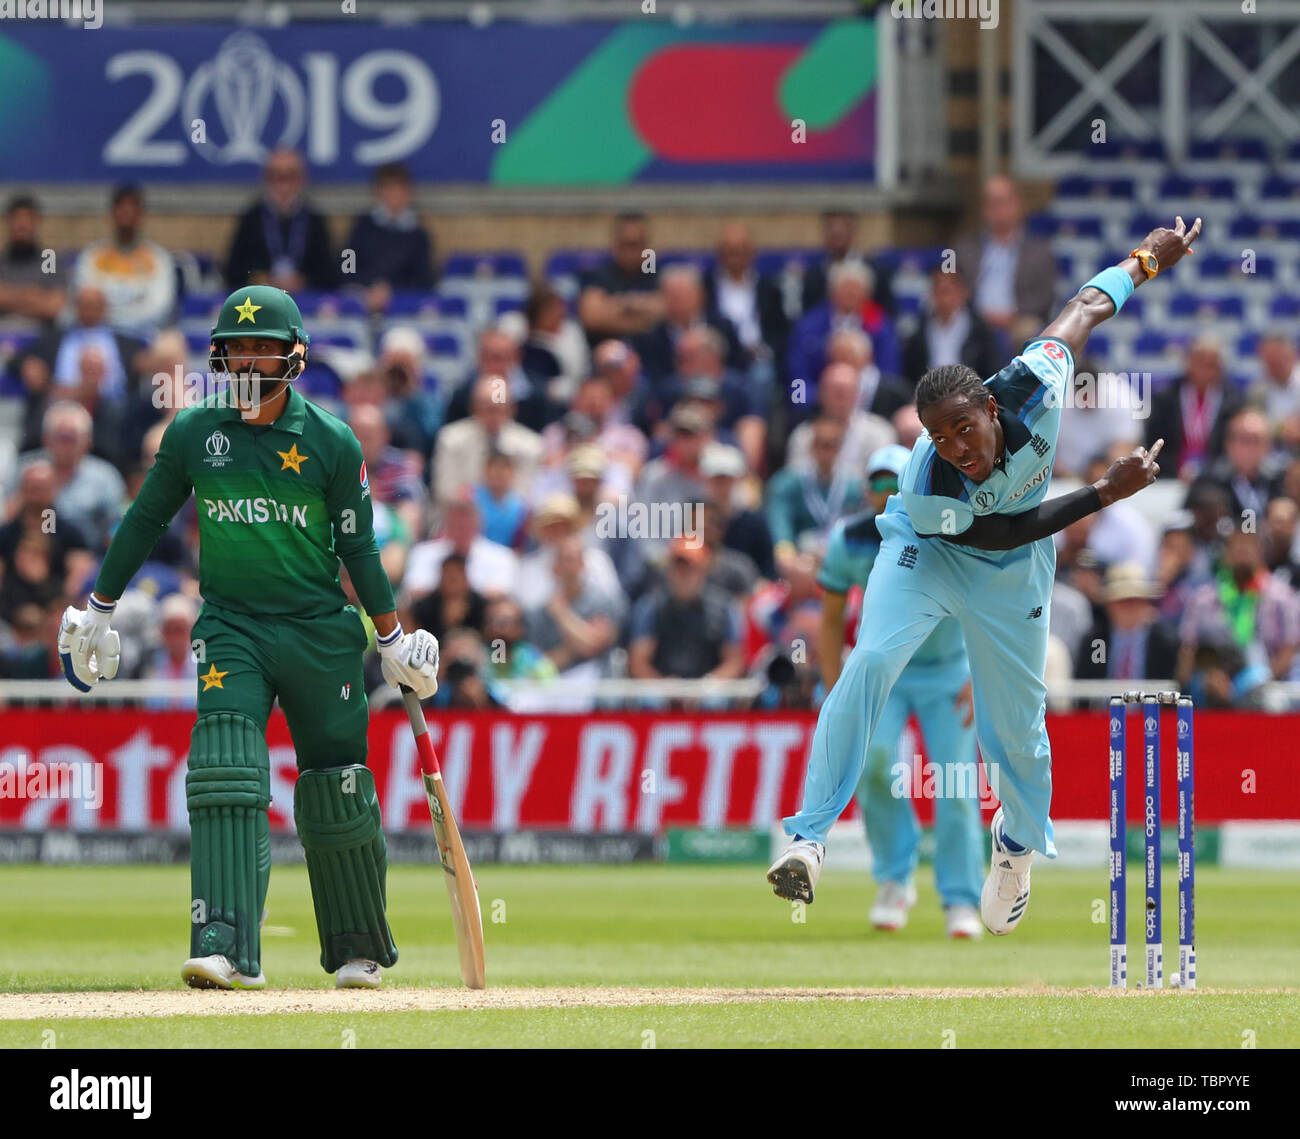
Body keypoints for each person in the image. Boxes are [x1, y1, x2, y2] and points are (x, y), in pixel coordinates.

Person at [767, 216, 1202, 938]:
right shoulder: (931, 477)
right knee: (870, 659)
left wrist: (1146, 260)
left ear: (990, 406)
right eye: (939, 435)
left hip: (1012, 572)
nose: (956, 446)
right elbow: (1002, 526)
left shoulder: (1037, 379)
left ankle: (1016, 850)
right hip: (933, 551)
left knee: (1018, 730)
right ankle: (808, 839)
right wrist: (1101, 493)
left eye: (963, 427)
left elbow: (1085, 308)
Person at [55, 284, 440, 991]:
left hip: (321, 632)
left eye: (264, 346)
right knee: (225, 765)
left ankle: (357, 945)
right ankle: (224, 943)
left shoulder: (330, 440)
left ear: (294, 354)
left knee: (338, 782)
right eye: (238, 346)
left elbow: (359, 551)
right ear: (218, 354)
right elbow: (144, 520)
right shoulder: (194, 433)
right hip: (231, 625)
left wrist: (391, 638)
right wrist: (99, 606)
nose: (250, 359)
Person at [817, 445, 983, 938]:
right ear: (867, 488)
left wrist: (981, 675)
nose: (888, 493)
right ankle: (894, 877)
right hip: (884, 671)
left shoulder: (952, 527)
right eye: (880, 483)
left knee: (954, 785)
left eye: (897, 483)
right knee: (871, 766)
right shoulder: (848, 539)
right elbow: (829, 624)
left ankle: (960, 899)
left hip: (950, 671)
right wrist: (835, 691)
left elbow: (985, 606)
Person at [954, 176, 1058, 332]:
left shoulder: (1040, 250)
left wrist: (1013, 315)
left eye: (1002, 202)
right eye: (991, 203)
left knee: (1029, 331)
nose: (997, 210)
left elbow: (1045, 296)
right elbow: (949, 282)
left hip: (1018, 320)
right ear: (983, 210)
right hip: (972, 319)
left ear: (1018, 205)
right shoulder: (964, 248)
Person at [72, 184, 176, 338]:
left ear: (142, 215)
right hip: (98, 337)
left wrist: (119, 321)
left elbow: (160, 308)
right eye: (121, 206)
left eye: (133, 207)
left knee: (173, 350)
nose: (127, 212)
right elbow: (85, 303)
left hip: (146, 337)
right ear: (111, 214)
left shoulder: (159, 259)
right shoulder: (91, 257)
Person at [225, 149, 337, 291]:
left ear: (302, 178)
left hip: (304, 303)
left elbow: (330, 274)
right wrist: (256, 278)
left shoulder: (314, 220)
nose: (283, 184)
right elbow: (233, 271)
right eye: (276, 176)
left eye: (290, 176)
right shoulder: (251, 219)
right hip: (261, 303)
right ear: (266, 178)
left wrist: (305, 280)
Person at [344, 162, 436, 311]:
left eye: (399, 188)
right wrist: (368, 289)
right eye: (388, 188)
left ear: (408, 193)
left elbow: (424, 279)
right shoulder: (361, 228)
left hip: (404, 307)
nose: (394, 194)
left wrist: (391, 292)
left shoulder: (419, 235)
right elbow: (347, 266)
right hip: (363, 302)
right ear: (378, 192)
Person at [0, 194, 66, 322]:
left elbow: (52, 307)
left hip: (41, 337)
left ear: (38, 221)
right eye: (17, 218)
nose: (22, 225)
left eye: (28, 218)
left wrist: (7, 295)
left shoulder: (49, 260)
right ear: (7, 221)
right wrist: (33, 295)